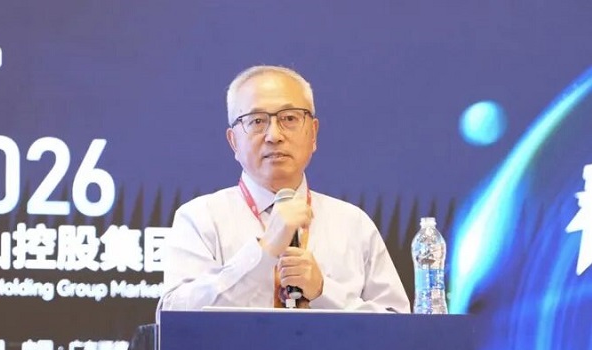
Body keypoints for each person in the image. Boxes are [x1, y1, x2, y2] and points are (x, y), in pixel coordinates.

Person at [157, 65, 410, 313]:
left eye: (289, 118)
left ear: (313, 133)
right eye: (257, 121)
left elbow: (397, 325)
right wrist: (265, 251)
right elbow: (173, 316)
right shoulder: (201, 218)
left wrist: (324, 291)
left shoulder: (353, 224)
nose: (274, 135)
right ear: (234, 141)